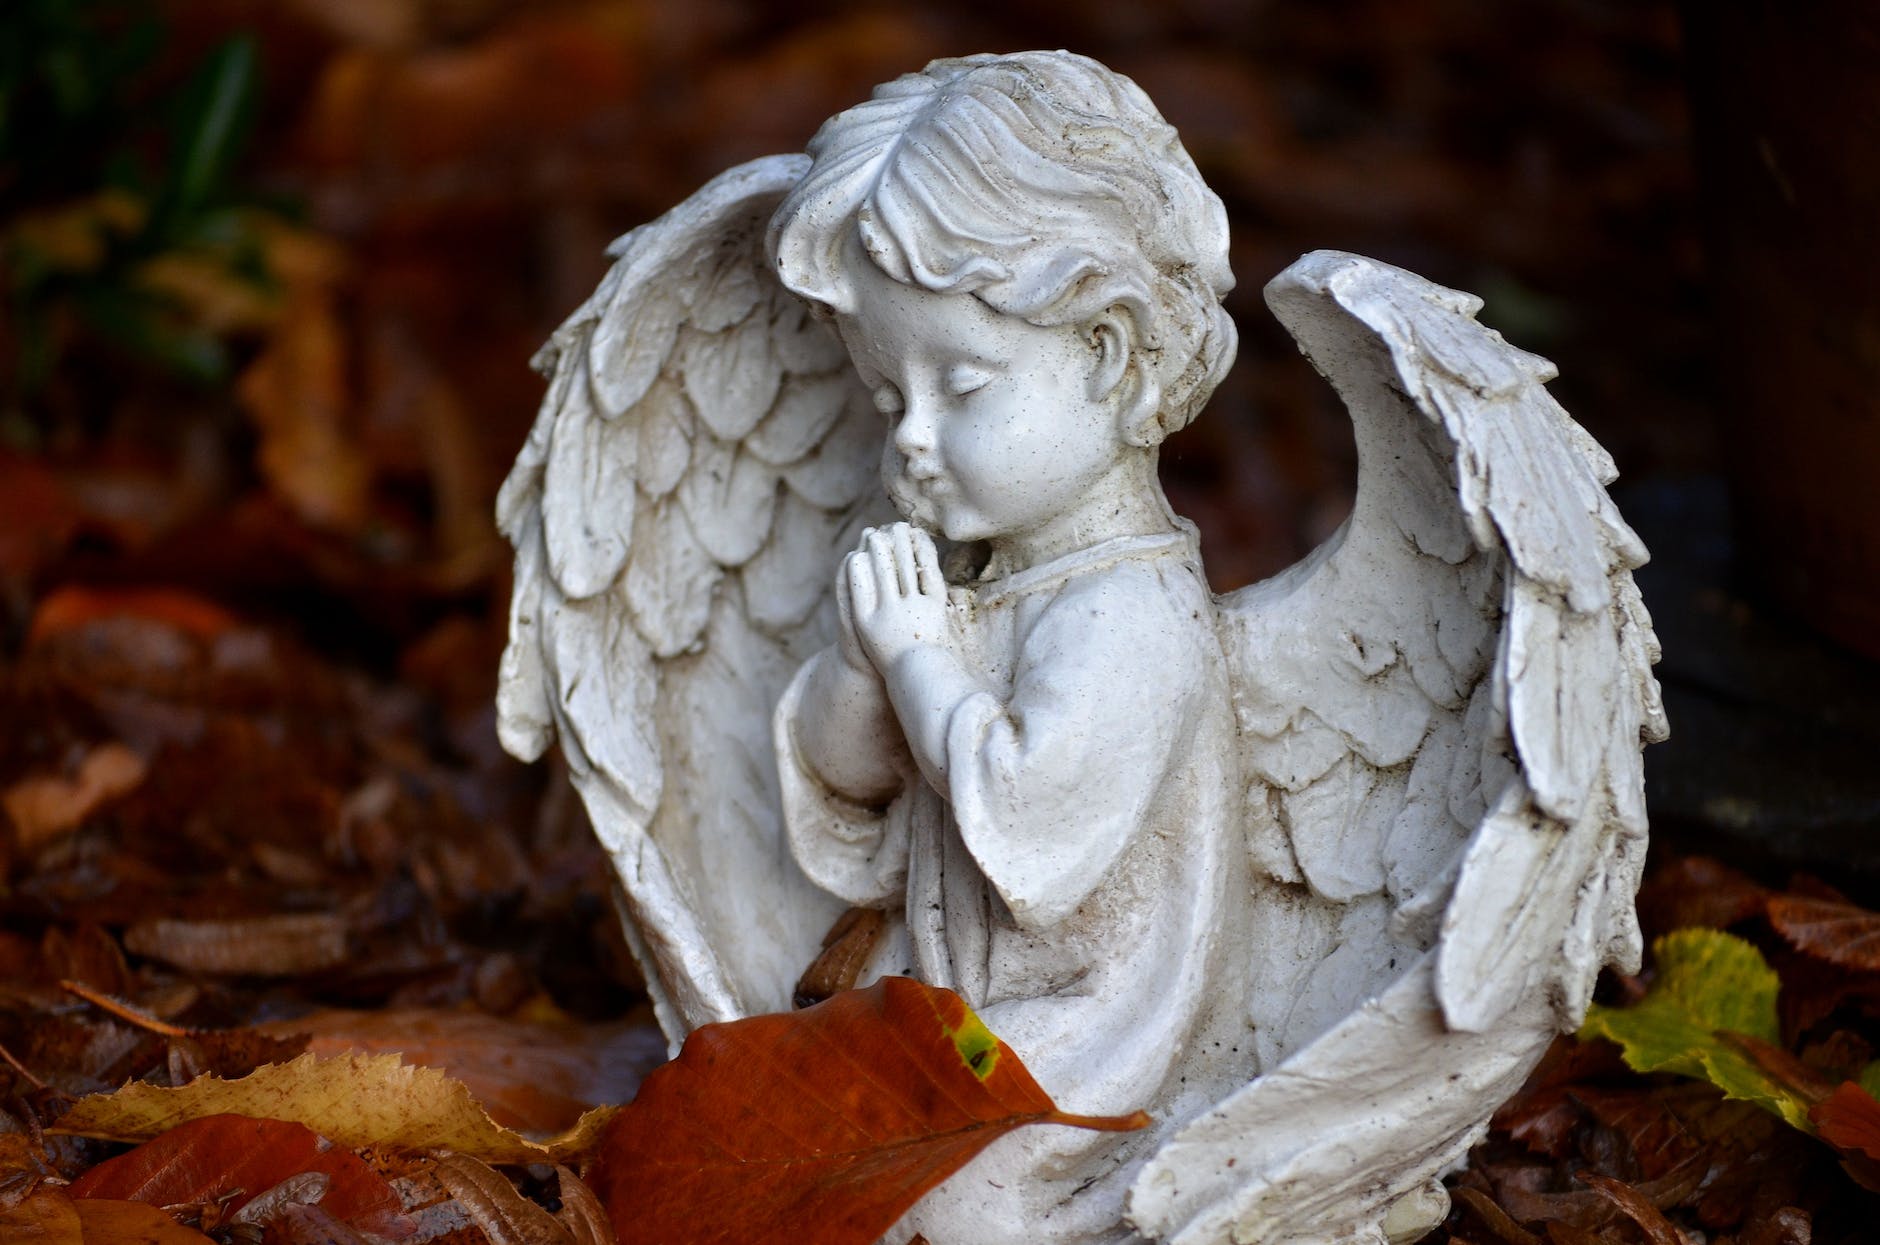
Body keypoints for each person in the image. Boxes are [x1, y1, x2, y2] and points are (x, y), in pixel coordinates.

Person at [767, 52, 1256, 1243]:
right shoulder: (982, 578)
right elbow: (856, 787)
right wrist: (859, 666)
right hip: (961, 1016)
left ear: (1104, 356)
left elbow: (1030, 832)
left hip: (1083, 1049)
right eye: (888, 400)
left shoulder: (1130, 618)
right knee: (793, 1144)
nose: (912, 440)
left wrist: (922, 657)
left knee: (918, 1208)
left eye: (964, 389)